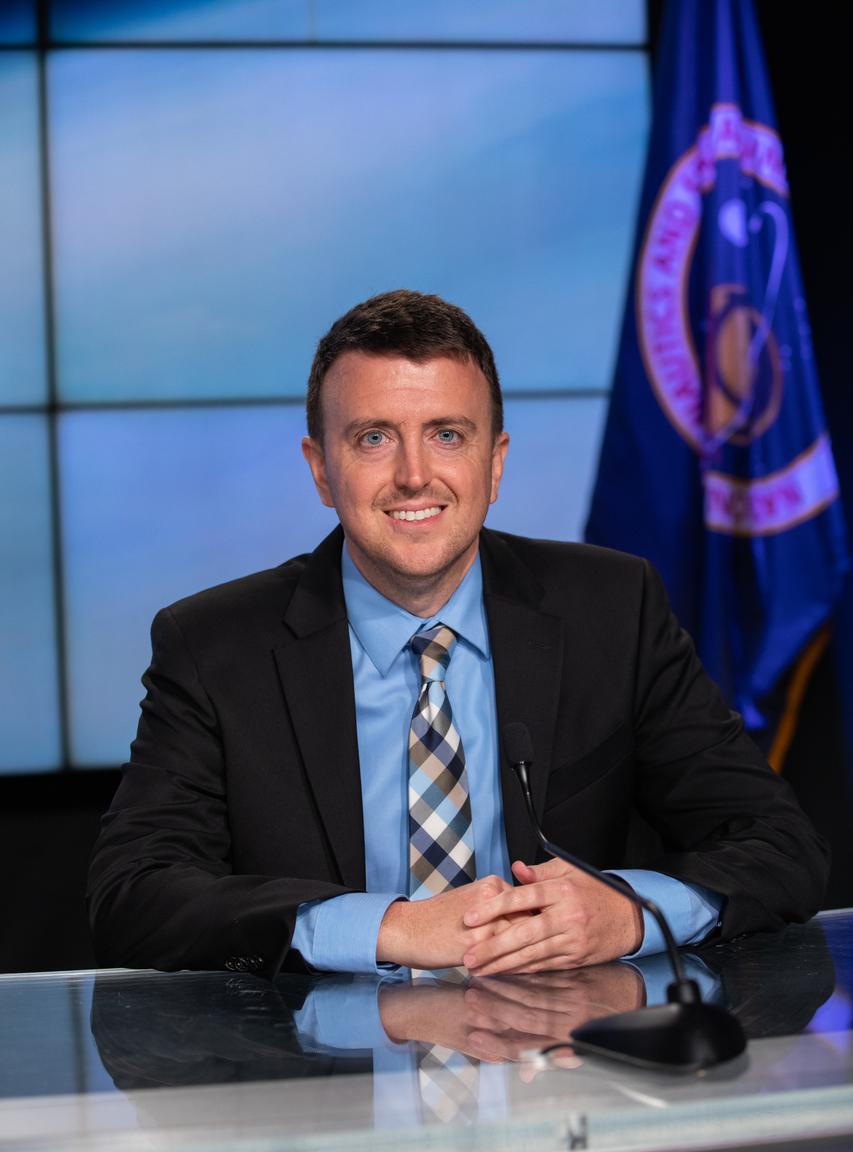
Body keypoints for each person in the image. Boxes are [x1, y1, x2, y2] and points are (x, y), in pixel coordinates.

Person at [87, 290, 828, 980]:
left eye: (446, 434)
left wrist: (628, 914)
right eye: (374, 438)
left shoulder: (611, 609)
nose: (415, 475)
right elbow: (135, 894)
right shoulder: (215, 648)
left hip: (568, 1082)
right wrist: (388, 929)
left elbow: (777, 844)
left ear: (494, 461)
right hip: (323, 1082)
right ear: (320, 469)